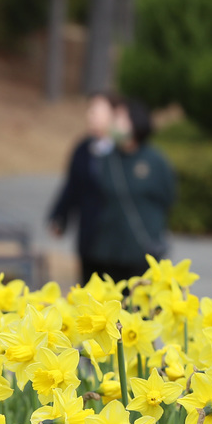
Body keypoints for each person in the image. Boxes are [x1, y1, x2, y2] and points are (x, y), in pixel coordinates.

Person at [87, 98, 177, 288]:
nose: (115, 124)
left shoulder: (155, 160)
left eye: (121, 118)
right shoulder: (105, 159)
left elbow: (168, 197)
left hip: (142, 247)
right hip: (108, 250)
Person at [48, 92, 117, 285]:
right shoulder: (83, 148)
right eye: (90, 111)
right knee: (89, 285)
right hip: (89, 232)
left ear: (114, 114)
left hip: (117, 239)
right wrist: (59, 216)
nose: (90, 116)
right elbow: (72, 186)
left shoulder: (124, 151)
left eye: (96, 111)